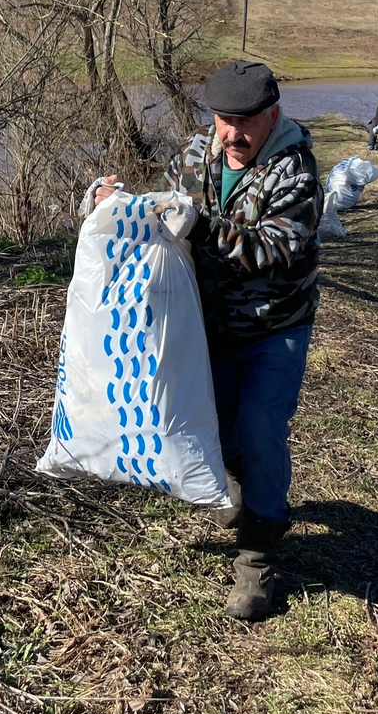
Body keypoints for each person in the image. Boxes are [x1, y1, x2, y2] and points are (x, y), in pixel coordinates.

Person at [89, 60, 321, 621]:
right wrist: (109, 204)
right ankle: (242, 490)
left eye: (245, 122)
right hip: (204, 323)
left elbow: (271, 250)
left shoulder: (297, 173)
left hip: (275, 328)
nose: (232, 135)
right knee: (214, 424)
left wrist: (199, 227)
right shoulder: (197, 154)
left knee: (263, 431)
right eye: (223, 121)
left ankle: (258, 559)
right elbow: (164, 210)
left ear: (273, 115)